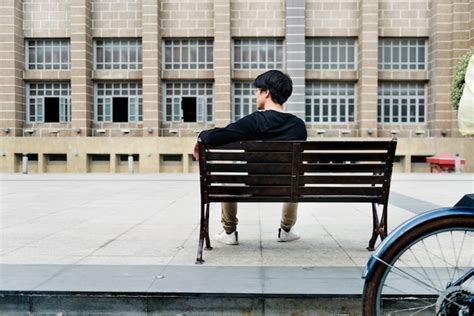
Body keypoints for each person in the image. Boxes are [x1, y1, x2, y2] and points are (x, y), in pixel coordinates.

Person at [193, 70, 307, 245]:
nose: (255, 95)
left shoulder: (254, 121)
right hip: (286, 187)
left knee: (227, 179)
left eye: (257, 90)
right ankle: (286, 229)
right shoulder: (299, 126)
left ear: (266, 92)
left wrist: (201, 137)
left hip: (254, 185)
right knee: (295, 177)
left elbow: (218, 136)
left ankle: (229, 232)